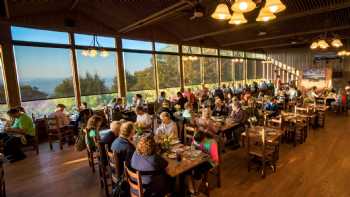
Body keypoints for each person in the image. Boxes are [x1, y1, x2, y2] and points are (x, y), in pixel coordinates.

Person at [188, 131, 219, 195]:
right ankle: (191, 187)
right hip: (199, 159)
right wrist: (193, 148)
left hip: (210, 162)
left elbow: (215, 159)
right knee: (188, 168)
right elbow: (193, 144)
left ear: (204, 139)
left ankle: (196, 190)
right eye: (197, 142)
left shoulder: (210, 143)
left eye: (199, 142)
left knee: (197, 171)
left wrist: (204, 158)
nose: (198, 143)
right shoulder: (196, 137)